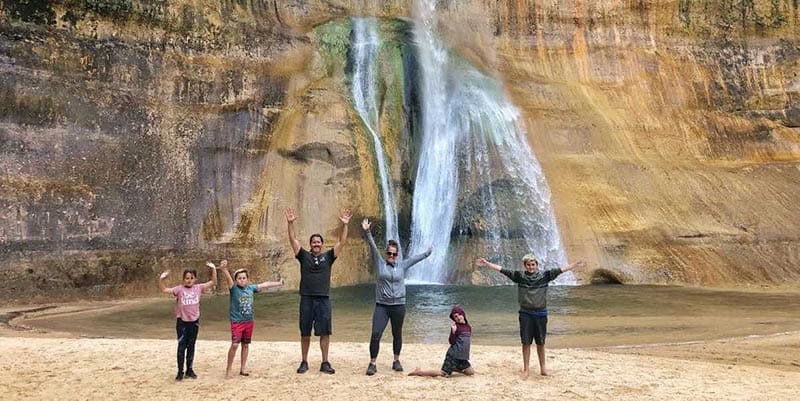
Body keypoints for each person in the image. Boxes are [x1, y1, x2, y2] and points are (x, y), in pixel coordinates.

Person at [475, 254, 585, 378]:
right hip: (525, 313)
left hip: (541, 313)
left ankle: (543, 368)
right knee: (526, 342)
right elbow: (502, 270)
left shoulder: (545, 276)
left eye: (533, 264)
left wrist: (575, 264)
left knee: (541, 342)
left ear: (537, 265)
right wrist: (487, 263)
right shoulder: (520, 276)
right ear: (525, 265)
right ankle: (526, 369)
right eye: (528, 265)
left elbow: (561, 270)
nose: (531, 267)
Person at [362, 218, 432, 375]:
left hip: (399, 306)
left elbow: (415, 259)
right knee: (376, 334)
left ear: (397, 254)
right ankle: (372, 363)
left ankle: (396, 360)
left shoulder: (402, 265)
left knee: (397, 334)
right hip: (382, 305)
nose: (391, 255)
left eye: (394, 254)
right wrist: (367, 231)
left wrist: (428, 253)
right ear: (386, 253)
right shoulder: (380, 263)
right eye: (389, 253)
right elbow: (373, 246)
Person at [285, 207, 352, 374]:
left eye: (318, 242)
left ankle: (325, 362)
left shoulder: (328, 256)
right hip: (306, 299)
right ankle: (304, 361)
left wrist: (345, 225)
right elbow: (292, 239)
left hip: (323, 299)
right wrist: (290, 223)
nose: (316, 244)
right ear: (311, 245)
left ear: (322, 245)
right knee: (305, 332)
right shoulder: (303, 256)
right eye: (314, 242)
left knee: (325, 332)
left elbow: (342, 242)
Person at [219, 260, 284, 379]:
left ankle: (243, 368)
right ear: (236, 280)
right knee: (234, 345)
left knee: (245, 345)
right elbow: (228, 279)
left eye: (244, 278)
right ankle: (228, 369)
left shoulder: (251, 288)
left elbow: (265, 284)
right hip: (237, 322)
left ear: (247, 279)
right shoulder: (234, 289)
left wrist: (278, 283)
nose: (242, 280)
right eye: (239, 278)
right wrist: (224, 269)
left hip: (249, 322)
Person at [158, 261, 217, 381]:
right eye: (186, 278)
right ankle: (180, 371)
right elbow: (164, 289)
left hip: (194, 322)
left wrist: (213, 269)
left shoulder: (198, 288)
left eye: (191, 278)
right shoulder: (179, 289)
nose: (189, 280)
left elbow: (213, 282)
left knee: (191, 346)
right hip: (182, 323)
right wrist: (161, 279)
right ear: (183, 279)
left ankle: (189, 370)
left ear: (195, 279)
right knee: (181, 347)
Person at [408, 305, 474, 378]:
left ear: (463, 314)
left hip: (462, 357)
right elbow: (451, 342)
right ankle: (419, 372)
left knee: (471, 372)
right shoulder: (455, 327)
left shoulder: (468, 327)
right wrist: (453, 332)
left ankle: (455, 368)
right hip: (453, 355)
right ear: (454, 319)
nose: (458, 317)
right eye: (455, 316)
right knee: (443, 373)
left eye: (459, 315)